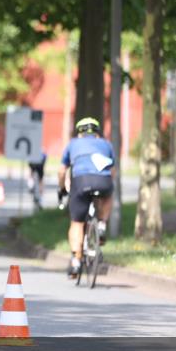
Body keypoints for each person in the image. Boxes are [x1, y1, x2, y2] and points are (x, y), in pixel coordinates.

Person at [58, 117, 115, 277]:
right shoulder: (106, 144)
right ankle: (102, 224)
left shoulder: (73, 144)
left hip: (81, 182)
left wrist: (62, 188)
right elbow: (112, 171)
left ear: (80, 133)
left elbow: (62, 171)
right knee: (109, 194)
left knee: (77, 223)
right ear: (97, 133)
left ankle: (76, 261)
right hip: (103, 181)